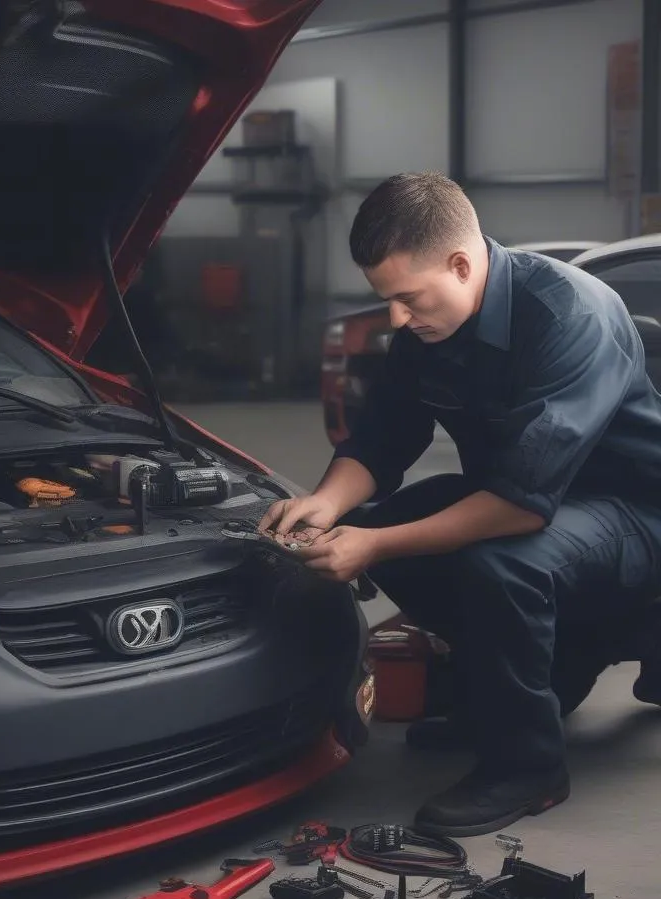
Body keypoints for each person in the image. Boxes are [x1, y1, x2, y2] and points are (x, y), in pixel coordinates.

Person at [259, 172, 661, 837]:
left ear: (461, 263)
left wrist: (375, 547)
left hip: (634, 513)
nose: (397, 318)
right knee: (372, 526)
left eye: (407, 298)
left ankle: (528, 766)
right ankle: (533, 684)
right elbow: (385, 439)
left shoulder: (567, 314)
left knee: (500, 563)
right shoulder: (426, 328)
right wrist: (326, 505)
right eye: (385, 300)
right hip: (532, 505)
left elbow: (520, 508)